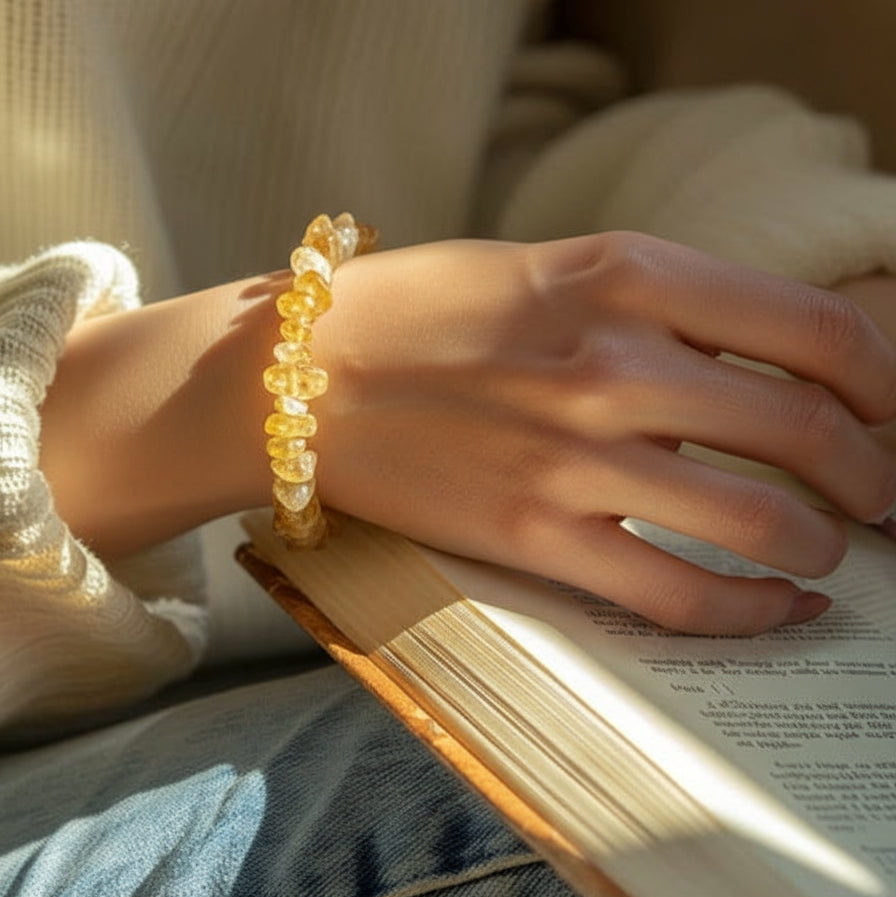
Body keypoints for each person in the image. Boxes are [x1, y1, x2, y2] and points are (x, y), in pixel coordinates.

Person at [1, 2, 895, 894]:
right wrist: (273, 375)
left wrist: (827, 313)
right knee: (611, 809)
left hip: (396, 619)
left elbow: (475, 115)